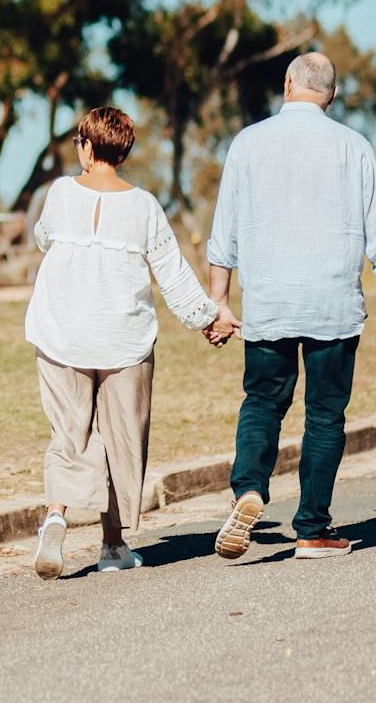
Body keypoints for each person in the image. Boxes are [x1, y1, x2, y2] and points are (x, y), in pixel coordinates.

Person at [207, 52, 376, 562]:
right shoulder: (353, 146)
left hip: (269, 300)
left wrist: (219, 302)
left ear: (287, 84)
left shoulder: (247, 143)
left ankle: (249, 489)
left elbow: (224, 233)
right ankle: (313, 530)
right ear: (332, 95)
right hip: (333, 303)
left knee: (263, 402)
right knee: (324, 416)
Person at [27, 106, 235, 579]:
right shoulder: (143, 205)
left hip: (63, 334)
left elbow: (43, 239)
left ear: (86, 144)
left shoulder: (60, 193)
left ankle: (56, 516)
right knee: (122, 439)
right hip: (124, 339)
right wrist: (208, 318)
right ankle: (113, 546)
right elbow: (173, 275)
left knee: (69, 431)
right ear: (123, 150)